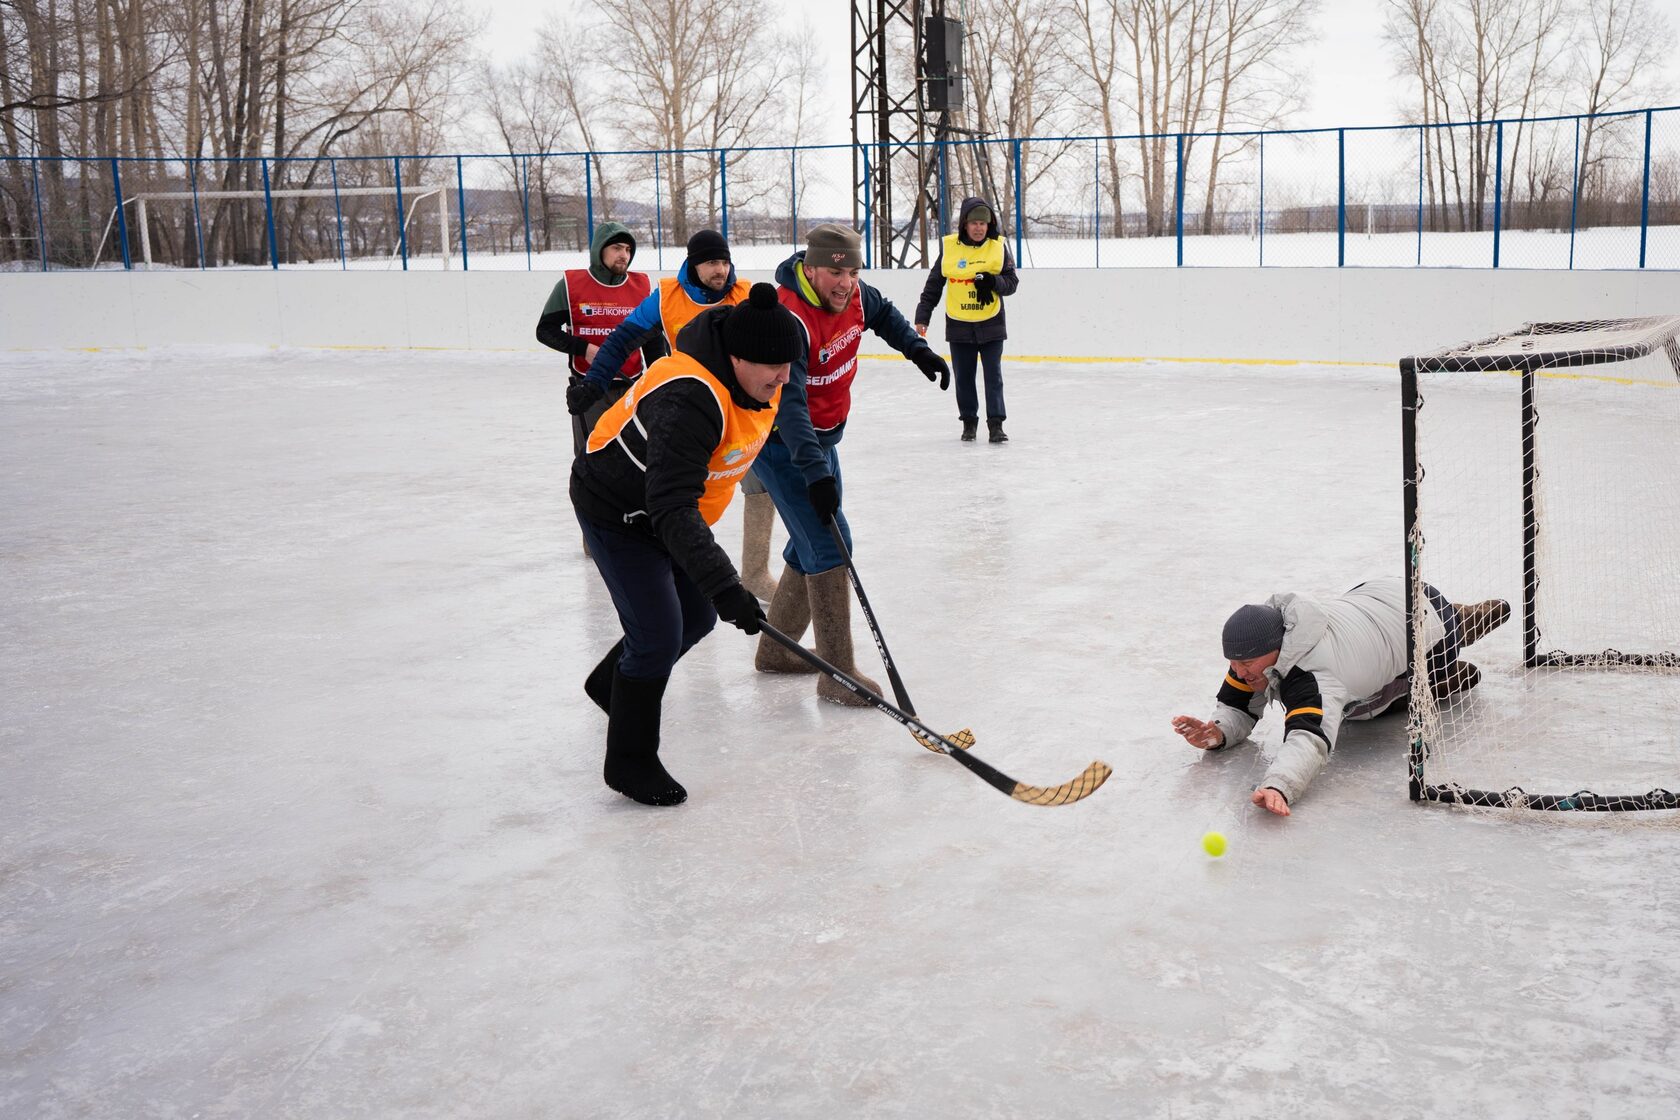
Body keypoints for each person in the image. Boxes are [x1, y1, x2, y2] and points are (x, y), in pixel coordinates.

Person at [570, 283, 804, 807]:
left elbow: (781, 431)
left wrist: (815, 479)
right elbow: (670, 505)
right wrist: (728, 586)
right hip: (617, 509)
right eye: (774, 367)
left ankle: (612, 683)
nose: (785, 377)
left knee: (693, 619)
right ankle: (629, 763)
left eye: (789, 365)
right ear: (738, 357)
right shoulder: (689, 397)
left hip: (668, 512)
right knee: (657, 633)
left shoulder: (764, 380)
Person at [750, 223, 952, 706]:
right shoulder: (791, 317)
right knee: (827, 545)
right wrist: (814, 471)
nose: (845, 283)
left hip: (823, 439)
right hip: (785, 445)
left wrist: (918, 350)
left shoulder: (857, 295)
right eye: (835, 273)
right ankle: (837, 674)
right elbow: (790, 402)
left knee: (823, 540)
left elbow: (883, 314)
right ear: (811, 268)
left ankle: (776, 652)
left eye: (853, 271)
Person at [1170, 577, 1510, 816]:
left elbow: (1309, 737)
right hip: (1391, 588)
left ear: (1275, 650)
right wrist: (1218, 731)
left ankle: (1442, 666)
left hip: (1428, 634)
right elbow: (1238, 701)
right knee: (1357, 688)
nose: (1239, 671)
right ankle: (1451, 624)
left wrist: (1279, 785)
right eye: (1233, 663)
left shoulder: (1314, 675)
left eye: (1245, 663)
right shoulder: (1273, 640)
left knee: (1358, 712)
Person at [565, 229, 778, 601]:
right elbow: (622, 340)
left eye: (725, 262)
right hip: (692, 414)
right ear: (693, 265)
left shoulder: (745, 294)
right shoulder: (666, 298)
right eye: (712, 262)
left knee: (759, 484)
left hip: (744, 411)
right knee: (682, 494)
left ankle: (755, 570)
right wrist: (594, 384)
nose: (721, 270)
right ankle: (680, 560)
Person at [536, 221, 668, 464]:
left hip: (631, 387)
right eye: (617, 248)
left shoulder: (641, 286)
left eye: (628, 250)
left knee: (635, 455)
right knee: (593, 457)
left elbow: (652, 339)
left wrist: (661, 379)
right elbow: (545, 330)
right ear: (600, 250)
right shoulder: (571, 284)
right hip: (590, 389)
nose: (624, 255)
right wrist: (583, 349)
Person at [913, 196, 1020, 443]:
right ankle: (969, 423)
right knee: (963, 377)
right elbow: (933, 285)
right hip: (959, 323)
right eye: (974, 223)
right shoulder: (950, 249)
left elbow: (1012, 283)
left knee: (993, 376)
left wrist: (993, 282)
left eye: (983, 223)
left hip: (991, 323)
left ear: (989, 224)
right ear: (964, 224)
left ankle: (996, 425)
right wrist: (923, 315)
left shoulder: (998, 247)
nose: (979, 228)